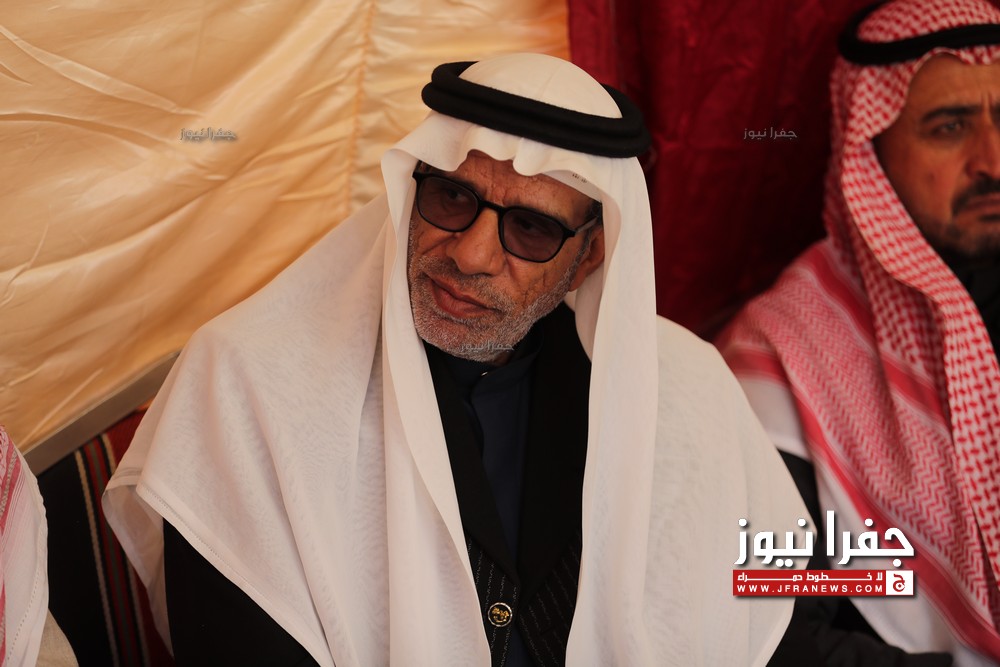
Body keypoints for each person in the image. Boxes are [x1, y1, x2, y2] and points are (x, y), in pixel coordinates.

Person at [104, 53, 808, 666]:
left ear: (590, 255)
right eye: (451, 196)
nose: (470, 255)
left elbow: (770, 622)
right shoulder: (249, 385)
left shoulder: (684, 388)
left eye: (529, 228)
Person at [718, 0, 1000, 664]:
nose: (991, 160)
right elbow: (773, 620)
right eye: (950, 127)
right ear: (867, 149)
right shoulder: (789, 350)